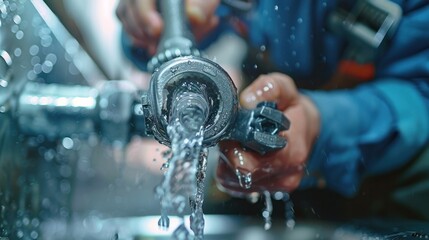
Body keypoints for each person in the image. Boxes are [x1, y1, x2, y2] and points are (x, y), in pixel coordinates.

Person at [116, 0, 429, 220]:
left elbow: (421, 91)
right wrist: (150, 21)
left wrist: (321, 125)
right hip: (257, 168)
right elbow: (153, 41)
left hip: (390, 176)